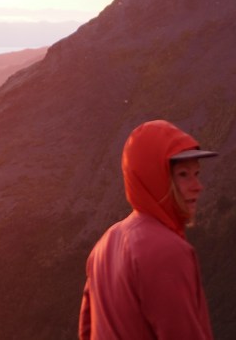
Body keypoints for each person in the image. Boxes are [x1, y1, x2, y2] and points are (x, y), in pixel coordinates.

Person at [78, 119, 217, 340]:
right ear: (155, 178)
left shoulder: (104, 245)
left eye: (196, 174)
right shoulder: (167, 251)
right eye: (183, 174)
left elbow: (87, 330)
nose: (197, 186)